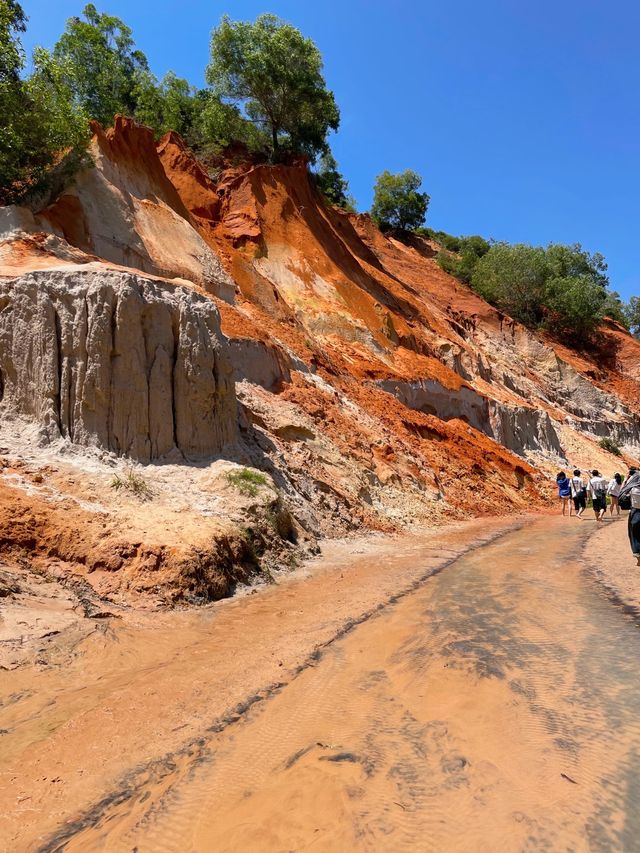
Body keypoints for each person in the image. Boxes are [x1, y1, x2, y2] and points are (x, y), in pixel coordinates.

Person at [619, 467, 640, 566]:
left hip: (635, 513)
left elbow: (621, 493)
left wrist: (626, 480)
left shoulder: (633, 488)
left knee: (634, 535)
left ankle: (639, 558)